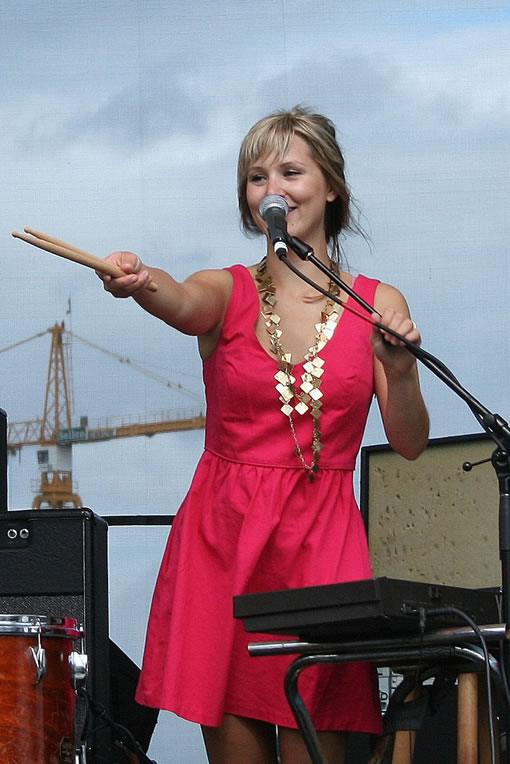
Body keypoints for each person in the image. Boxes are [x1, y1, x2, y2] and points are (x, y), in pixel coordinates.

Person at [98, 106, 429, 764]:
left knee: (320, 743)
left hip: (323, 550)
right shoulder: (226, 289)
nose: (271, 188)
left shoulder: (377, 302)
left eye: (290, 170)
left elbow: (411, 441)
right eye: (255, 177)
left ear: (331, 187)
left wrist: (402, 371)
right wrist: (139, 283)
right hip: (224, 544)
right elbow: (179, 299)